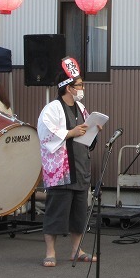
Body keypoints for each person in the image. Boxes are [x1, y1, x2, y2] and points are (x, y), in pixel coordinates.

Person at [37, 70, 100, 267]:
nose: (82, 89)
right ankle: (50, 252)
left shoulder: (81, 108)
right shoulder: (52, 109)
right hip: (61, 169)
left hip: (80, 165)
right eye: (79, 85)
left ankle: (76, 250)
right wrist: (70, 132)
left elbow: (86, 134)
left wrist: (94, 130)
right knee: (56, 210)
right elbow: (46, 134)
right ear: (68, 87)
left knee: (79, 211)